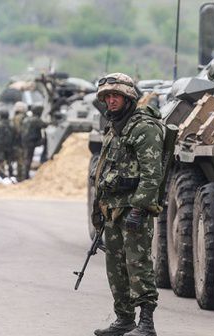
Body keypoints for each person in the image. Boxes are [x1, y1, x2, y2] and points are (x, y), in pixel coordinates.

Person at [92, 73, 163, 336]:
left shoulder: (143, 127)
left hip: (135, 211)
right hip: (113, 210)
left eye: (115, 96)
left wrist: (139, 208)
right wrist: (98, 211)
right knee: (116, 268)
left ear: (128, 97)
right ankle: (124, 319)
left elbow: (152, 173)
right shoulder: (115, 126)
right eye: (107, 97)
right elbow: (102, 171)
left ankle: (146, 323)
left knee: (138, 265)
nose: (110, 101)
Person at [20, 108, 47, 180]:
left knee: (26, 157)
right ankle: (25, 176)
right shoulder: (36, 120)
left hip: (25, 141)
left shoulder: (26, 119)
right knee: (28, 158)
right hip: (32, 142)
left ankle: (24, 175)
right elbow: (44, 125)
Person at [11, 101, 28, 181]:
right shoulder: (22, 117)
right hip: (21, 142)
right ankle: (21, 177)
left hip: (17, 142)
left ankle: (20, 176)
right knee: (21, 160)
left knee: (19, 160)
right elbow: (19, 130)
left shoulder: (15, 118)